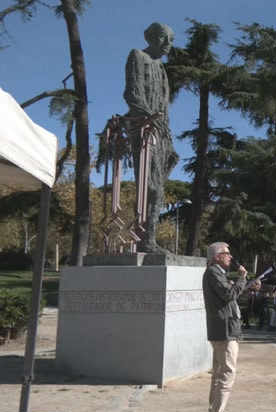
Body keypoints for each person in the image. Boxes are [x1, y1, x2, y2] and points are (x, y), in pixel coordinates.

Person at [124, 23, 179, 253]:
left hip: (161, 132)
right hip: (144, 128)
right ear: (151, 37)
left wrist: (169, 139)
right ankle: (145, 239)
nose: (168, 44)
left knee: (159, 187)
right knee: (151, 187)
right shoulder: (138, 56)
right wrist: (148, 118)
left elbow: (165, 107)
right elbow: (133, 94)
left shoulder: (162, 69)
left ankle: (149, 238)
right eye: (163, 38)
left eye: (171, 40)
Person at [202, 242, 246, 412]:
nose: (230, 256)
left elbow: (229, 294)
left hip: (225, 328)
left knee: (219, 373)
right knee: (227, 373)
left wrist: (245, 284)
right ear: (217, 256)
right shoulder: (213, 273)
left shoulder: (218, 273)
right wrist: (242, 279)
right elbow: (229, 294)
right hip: (223, 331)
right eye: (227, 253)